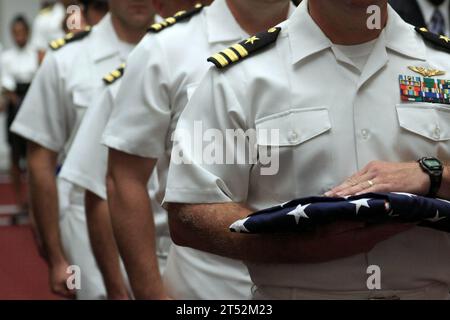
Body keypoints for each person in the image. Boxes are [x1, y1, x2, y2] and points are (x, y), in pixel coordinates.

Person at [164, 0, 450, 300]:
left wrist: (433, 175)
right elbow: (189, 213)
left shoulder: (442, 67)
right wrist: (293, 246)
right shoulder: (242, 78)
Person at [102, 0, 297, 299]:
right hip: (203, 287)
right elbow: (124, 179)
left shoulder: (334, 37)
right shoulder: (167, 48)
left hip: (314, 279)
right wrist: (149, 292)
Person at [58, 0, 207, 300]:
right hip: (156, 257)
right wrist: (116, 288)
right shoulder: (133, 73)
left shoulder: (235, 66)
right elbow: (100, 190)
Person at [11, 0, 155, 300]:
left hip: (165, 223)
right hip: (86, 220)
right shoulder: (66, 59)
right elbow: (40, 159)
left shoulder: (185, 51)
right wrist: (55, 257)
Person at [1, 16, 39, 214]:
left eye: (22, 32)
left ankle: (35, 199)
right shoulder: (6, 57)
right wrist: (13, 99)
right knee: (15, 156)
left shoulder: (35, 54)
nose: (19, 36)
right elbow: (5, 83)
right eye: (15, 33)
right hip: (15, 102)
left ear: (28, 32)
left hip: (34, 101)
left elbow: (40, 78)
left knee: (34, 154)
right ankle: (18, 200)